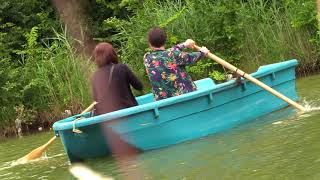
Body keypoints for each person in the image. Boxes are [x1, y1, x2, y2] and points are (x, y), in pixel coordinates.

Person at [143, 27, 209, 100]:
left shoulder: (147, 57)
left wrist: (184, 44)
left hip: (162, 100)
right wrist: (203, 52)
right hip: (183, 97)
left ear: (149, 43)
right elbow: (190, 57)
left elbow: (169, 52)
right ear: (165, 40)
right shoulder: (173, 54)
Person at [92, 42, 143, 115]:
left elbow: (96, 98)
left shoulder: (95, 76)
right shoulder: (122, 68)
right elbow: (139, 86)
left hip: (108, 116)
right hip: (128, 111)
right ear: (112, 54)